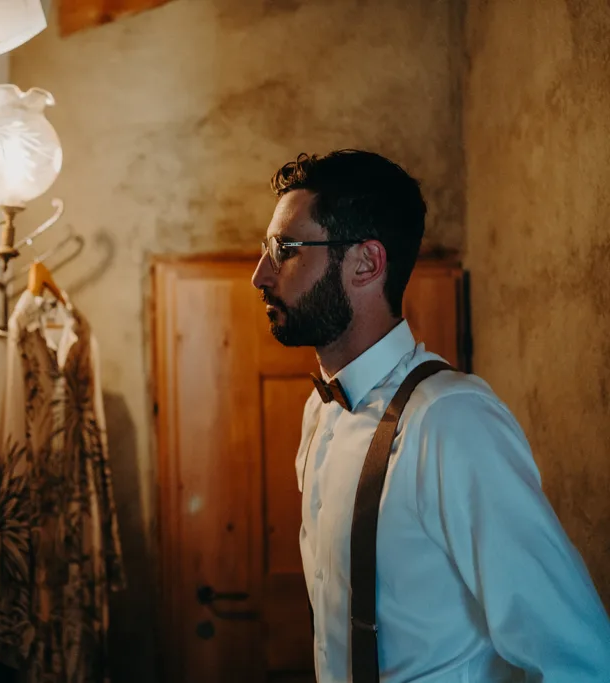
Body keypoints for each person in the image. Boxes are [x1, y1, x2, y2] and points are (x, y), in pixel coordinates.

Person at [250, 149, 610, 682]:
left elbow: (580, 659)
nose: (260, 275)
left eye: (285, 250)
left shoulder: (451, 421)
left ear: (367, 263)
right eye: (266, 249)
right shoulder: (319, 411)